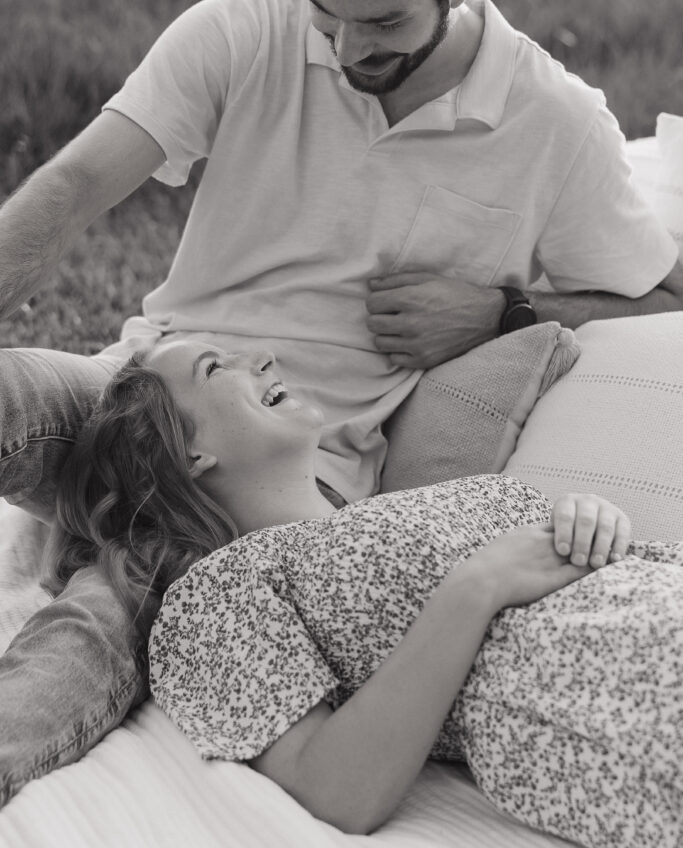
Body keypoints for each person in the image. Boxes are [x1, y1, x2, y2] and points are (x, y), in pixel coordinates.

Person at [1, 0, 682, 804]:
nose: (347, 45)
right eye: (327, 12)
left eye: (384, 25)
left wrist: (502, 310)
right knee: (16, 389)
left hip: (285, 477)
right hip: (147, 381)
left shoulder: (552, 126)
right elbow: (67, 191)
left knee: (108, 606)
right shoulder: (242, 31)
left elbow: (659, 289)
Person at [45, 342, 682, 848]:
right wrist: (476, 587)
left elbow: (546, 558)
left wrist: (590, 523)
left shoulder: (399, 507)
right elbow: (334, 791)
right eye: (217, 368)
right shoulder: (218, 593)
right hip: (621, 697)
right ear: (189, 455)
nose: (261, 355)